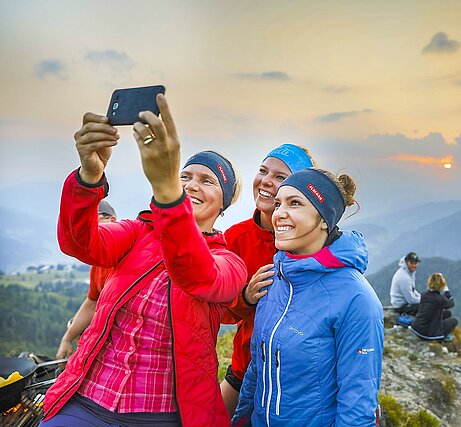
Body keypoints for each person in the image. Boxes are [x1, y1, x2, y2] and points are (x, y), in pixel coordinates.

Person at [41, 94, 247, 427]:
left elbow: (196, 273)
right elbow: (80, 243)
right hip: (87, 399)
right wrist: (89, 176)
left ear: (223, 204)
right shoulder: (138, 233)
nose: (191, 185)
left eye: (207, 181)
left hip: (160, 415)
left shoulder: (228, 263)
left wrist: (168, 191)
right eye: (184, 176)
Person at [232, 168, 384, 426]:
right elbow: (256, 370)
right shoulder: (275, 278)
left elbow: (357, 404)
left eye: (295, 203)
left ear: (324, 219)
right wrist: (240, 419)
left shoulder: (356, 299)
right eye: (278, 203)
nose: (279, 213)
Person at [220, 144, 315, 416]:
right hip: (244, 368)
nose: (267, 181)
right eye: (263, 171)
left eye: (280, 177)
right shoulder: (236, 238)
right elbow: (217, 310)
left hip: (295, 381)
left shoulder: (311, 243)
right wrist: (246, 298)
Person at [56, 200, 117, 361]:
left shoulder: (126, 257)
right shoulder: (98, 264)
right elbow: (92, 303)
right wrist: (67, 338)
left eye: (92, 221)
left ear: (112, 221)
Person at [409, 272, 458, 341]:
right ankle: (441, 337)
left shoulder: (424, 295)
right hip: (428, 334)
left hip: (417, 328)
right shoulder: (440, 299)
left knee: (448, 313)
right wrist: (446, 291)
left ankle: (436, 327)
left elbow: (438, 300)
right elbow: (451, 303)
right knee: (454, 321)